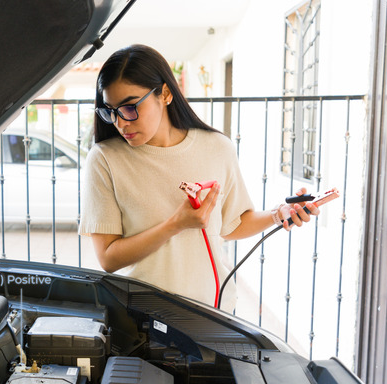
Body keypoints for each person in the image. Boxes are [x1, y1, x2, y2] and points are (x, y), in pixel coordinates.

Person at [79, 45, 319, 311]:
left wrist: (279, 213)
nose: (121, 122)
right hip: (141, 317)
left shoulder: (217, 147)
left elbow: (233, 224)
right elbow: (109, 258)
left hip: (212, 313)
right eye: (110, 111)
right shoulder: (105, 159)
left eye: (130, 107)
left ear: (166, 94)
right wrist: (175, 224)